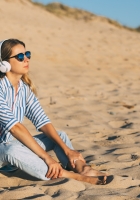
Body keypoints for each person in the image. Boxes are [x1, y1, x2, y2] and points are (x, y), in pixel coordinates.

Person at [0, 39, 112, 185]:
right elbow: (15, 128)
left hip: (13, 144)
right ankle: (69, 175)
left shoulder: (24, 89)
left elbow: (42, 121)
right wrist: (47, 158)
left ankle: (82, 169)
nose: (26, 59)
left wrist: (67, 150)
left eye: (27, 54)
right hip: (5, 150)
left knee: (59, 136)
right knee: (11, 150)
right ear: (4, 64)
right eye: (20, 57)